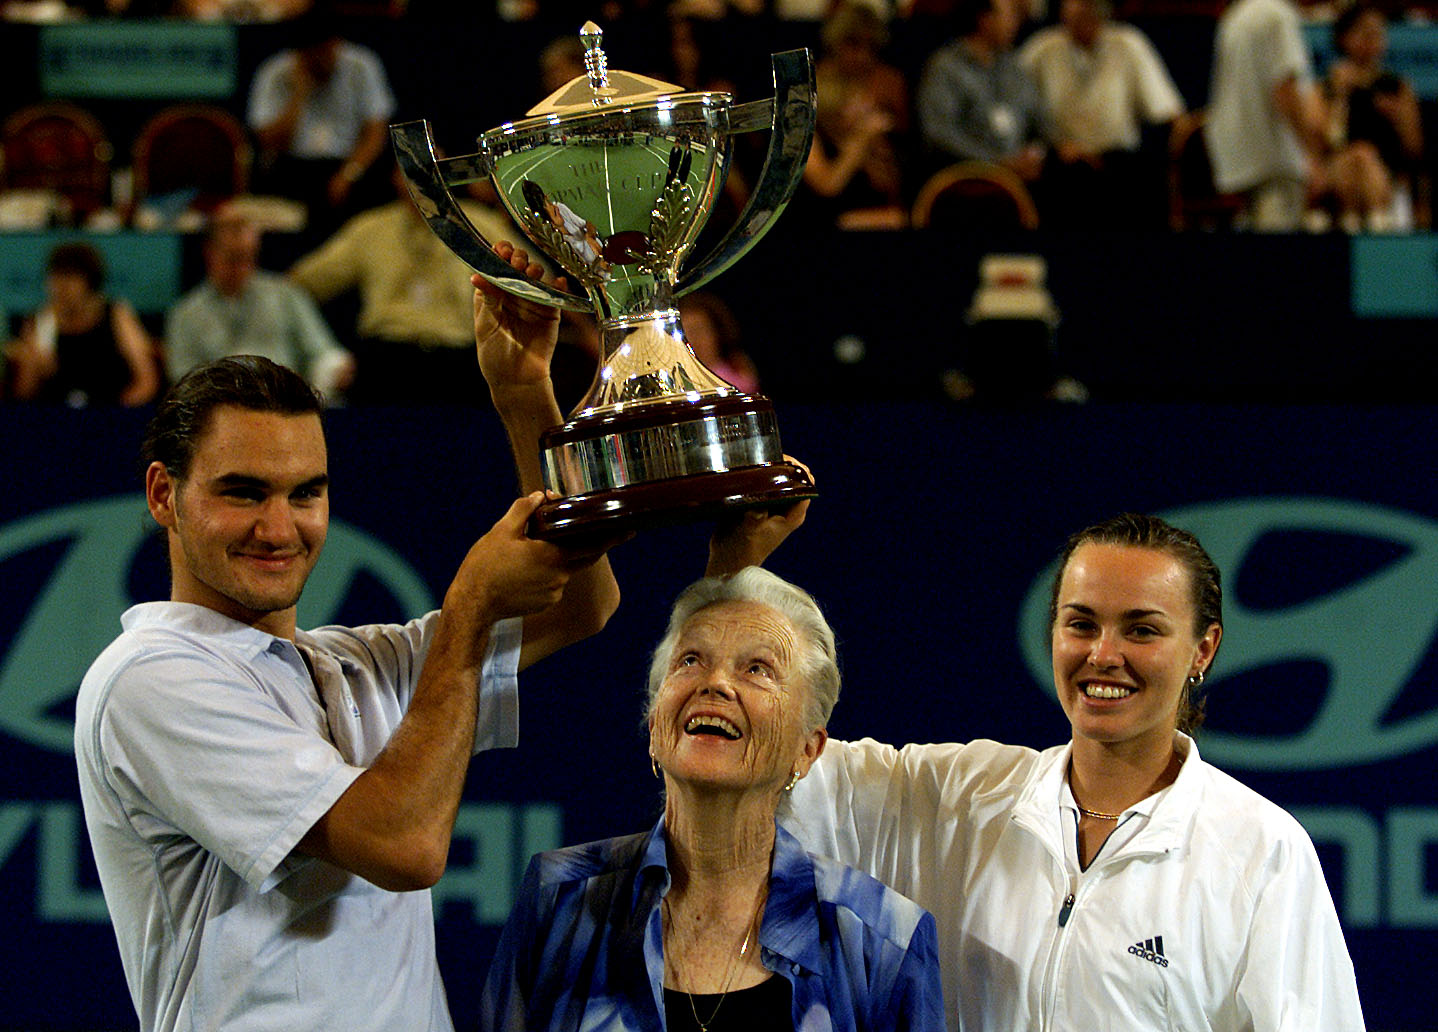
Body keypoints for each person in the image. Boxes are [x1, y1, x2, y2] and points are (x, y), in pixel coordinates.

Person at [74, 253, 624, 1032]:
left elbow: (585, 602)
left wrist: (522, 393)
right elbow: (403, 844)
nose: (280, 528)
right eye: (243, 492)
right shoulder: (148, 677)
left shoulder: (356, 662)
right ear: (166, 495)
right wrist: (467, 609)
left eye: (307, 493)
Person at [744, 512, 1366, 1030]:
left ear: (1203, 649)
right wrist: (735, 571)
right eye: (1082, 624)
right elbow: (762, 759)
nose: (1104, 655)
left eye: (1142, 630)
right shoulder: (958, 797)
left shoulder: (1262, 851)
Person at [477, 566, 946, 1031]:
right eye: (690, 661)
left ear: (807, 750)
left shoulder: (880, 943)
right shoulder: (561, 900)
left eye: (757, 669)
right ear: (656, 726)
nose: (716, 683)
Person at [287, 164, 529, 404]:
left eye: (431, 166)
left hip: (458, 362)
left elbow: (533, 281)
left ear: (448, 173)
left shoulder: (479, 224)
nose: (421, 178)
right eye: (411, 168)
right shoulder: (370, 228)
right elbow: (302, 283)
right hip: (386, 361)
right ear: (396, 177)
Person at [1017, 0, 1186, 228]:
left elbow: (1168, 111)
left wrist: (1185, 144)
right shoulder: (1041, 48)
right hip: (1062, 166)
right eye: (1074, 9)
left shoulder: (1128, 43)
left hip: (1118, 165)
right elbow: (1015, 110)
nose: (1082, 14)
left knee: (1145, 180)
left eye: (1089, 9)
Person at [166, 210, 355, 395]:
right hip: (220, 410)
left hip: (285, 406)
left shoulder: (285, 295)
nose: (242, 267)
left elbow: (322, 351)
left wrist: (333, 367)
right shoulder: (185, 313)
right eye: (234, 258)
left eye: (249, 257)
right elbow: (183, 379)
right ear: (210, 253)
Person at [246, 5, 395, 238]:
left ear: (335, 44)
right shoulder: (275, 73)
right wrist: (298, 95)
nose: (320, 61)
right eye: (312, 55)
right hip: (294, 167)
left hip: (348, 165)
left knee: (375, 189)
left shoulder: (361, 65)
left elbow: (375, 133)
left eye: (325, 52)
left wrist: (348, 174)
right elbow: (269, 141)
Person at [1205, 0, 1327, 231]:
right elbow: (1285, 89)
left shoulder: (1236, 15)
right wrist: (1311, 154)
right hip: (1276, 162)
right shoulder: (1278, 16)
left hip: (1238, 156)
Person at [799, 1, 911, 230]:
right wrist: (862, 137)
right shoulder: (806, 100)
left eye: (871, 47)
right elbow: (828, 186)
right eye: (853, 44)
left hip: (870, 219)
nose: (862, 56)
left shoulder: (879, 89)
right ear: (835, 43)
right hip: (818, 225)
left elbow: (889, 186)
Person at [915, 0, 1051, 188]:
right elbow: (939, 133)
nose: (1016, 23)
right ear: (985, 19)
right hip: (966, 180)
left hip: (1021, 176)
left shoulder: (1013, 65)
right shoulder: (945, 67)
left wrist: (1034, 154)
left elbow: (1039, 121)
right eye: (1010, 15)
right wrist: (995, 162)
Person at [6, 240, 159, 407]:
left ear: (90, 282)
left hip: (110, 413)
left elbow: (147, 382)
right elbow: (24, 393)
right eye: (56, 278)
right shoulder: (39, 321)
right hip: (56, 418)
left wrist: (119, 413)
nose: (61, 287)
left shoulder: (117, 314)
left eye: (71, 278)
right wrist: (33, 365)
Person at [1321, 1, 1424, 232]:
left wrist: (1396, 117)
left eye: (1377, 32)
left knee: (1365, 158)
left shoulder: (1397, 87)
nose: (1371, 39)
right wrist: (1340, 99)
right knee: (1357, 157)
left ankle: (1371, 227)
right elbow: (1327, 142)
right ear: (1344, 37)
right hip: (1340, 174)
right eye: (1363, 32)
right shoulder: (1327, 86)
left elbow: (1413, 148)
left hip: (1384, 174)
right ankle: (1365, 227)